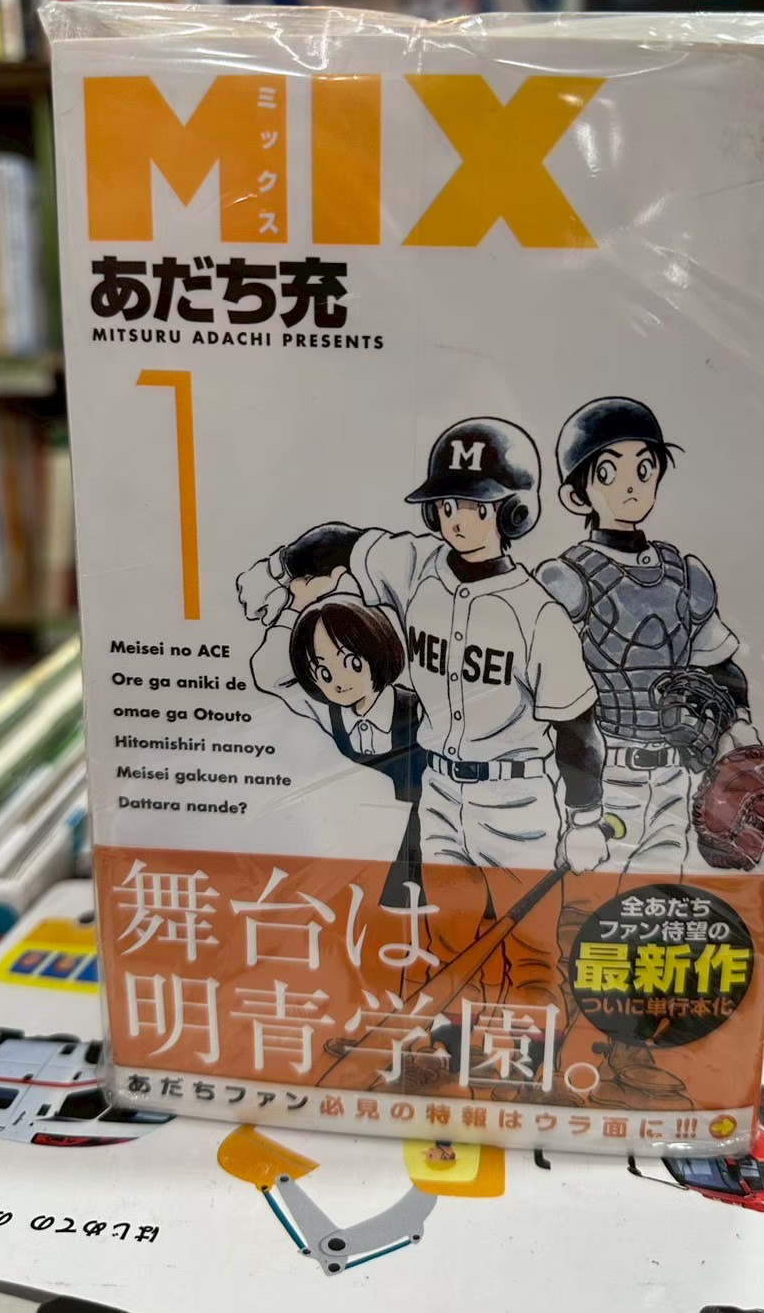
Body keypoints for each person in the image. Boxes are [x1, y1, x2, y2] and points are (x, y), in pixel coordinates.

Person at [248, 416, 609, 1093]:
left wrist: (585, 818)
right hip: (442, 791)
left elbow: (577, 726)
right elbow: (338, 542)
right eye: (446, 504)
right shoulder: (412, 565)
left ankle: (525, 1072)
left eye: (476, 504)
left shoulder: (537, 613)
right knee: (448, 939)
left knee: (530, 948)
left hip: (517, 796)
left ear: (513, 510)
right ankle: (457, 1064)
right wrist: (281, 570)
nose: (457, 519)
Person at [536, 396, 764, 873]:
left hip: (674, 771)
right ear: (577, 496)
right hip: (600, 772)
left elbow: (719, 663)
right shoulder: (567, 580)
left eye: (644, 469)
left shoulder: (684, 575)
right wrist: (582, 816)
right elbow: (561, 701)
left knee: (656, 891)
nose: (631, 484)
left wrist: (738, 723)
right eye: (609, 472)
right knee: (583, 902)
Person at [249, 590, 425, 910]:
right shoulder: (329, 714)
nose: (339, 682)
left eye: (352, 663)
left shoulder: (418, 710)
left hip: (417, 848)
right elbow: (268, 675)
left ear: (377, 650)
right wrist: (297, 605)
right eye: (324, 672)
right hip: (354, 851)